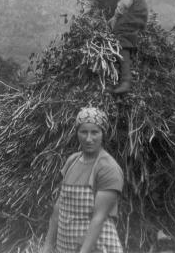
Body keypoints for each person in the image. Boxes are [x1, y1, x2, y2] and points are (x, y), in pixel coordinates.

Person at [43, 106, 123, 253]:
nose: (88, 139)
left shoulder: (108, 168)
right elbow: (59, 207)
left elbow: (99, 218)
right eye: (83, 132)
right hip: (66, 245)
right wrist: (48, 244)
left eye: (95, 132)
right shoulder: (72, 161)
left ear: (102, 134)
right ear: (77, 133)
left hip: (96, 247)